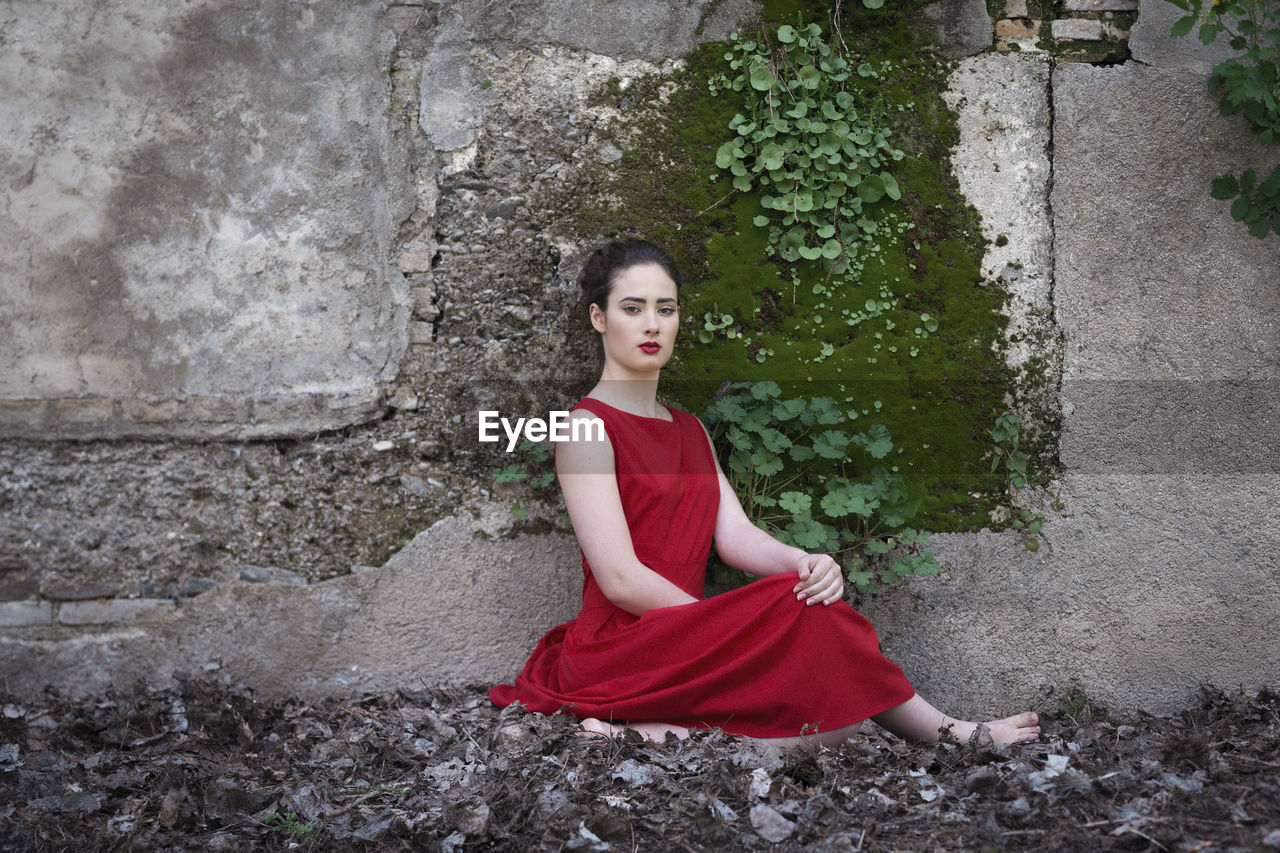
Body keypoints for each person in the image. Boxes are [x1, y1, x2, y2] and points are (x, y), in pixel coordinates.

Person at [489, 238, 1040, 747]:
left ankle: (655, 735)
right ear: (599, 318)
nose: (652, 324)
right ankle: (956, 734)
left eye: (666, 308)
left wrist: (803, 559)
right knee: (797, 633)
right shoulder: (584, 429)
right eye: (632, 309)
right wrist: (724, 631)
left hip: (684, 637)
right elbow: (620, 579)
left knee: (832, 705)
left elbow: (735, 537)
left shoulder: (689, 429)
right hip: (625, 645)